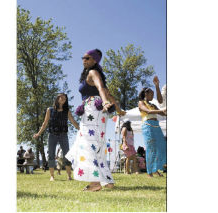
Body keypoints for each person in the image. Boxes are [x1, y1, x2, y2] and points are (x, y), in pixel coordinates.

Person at [65, 49, 125, 192]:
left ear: (95, 61)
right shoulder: (92, 73)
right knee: (97, 144)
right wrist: (118, 109)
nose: (84, 60)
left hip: (93, 109)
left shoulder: (93, 73)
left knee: (88, 143)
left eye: (88, 58)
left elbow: (101, 88)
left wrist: (104, 103)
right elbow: (107, 92)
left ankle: (95, 183)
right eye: (83, 57)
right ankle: (107, 181)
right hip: (96, 111)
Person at [33, 93, 80, 181]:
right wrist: (38, 133)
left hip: (63, 135)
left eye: (65, 98)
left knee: (67, 155)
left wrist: (80, 129)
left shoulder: (67, 111)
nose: (63, 98)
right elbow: (45, 123)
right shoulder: (49, 110)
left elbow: (73, 121)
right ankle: (52, 176)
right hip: (52, 135)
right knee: (51, 154)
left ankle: (69, 176)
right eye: (61, 97)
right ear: (57, 99)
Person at [138, 87, 167, 177]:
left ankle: (155, 169)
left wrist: (164, 110)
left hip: (156, 125)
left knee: (161, 146)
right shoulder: (141, 102)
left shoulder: (153, 105)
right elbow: (148, 111)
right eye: (151, 94)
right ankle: (150, 172)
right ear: (146, 94)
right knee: (151, 148)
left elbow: (163, 113)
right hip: (147, 125)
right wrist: (161, 110)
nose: (153, 96)